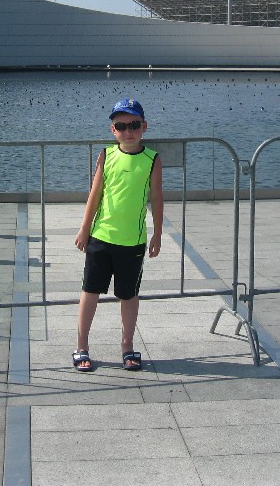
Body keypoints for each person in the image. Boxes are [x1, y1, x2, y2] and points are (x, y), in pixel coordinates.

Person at [73, 98, 163, 372]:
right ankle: (81, 346)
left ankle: (127, 345)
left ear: (144, 127)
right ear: (113, 130)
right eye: (121, 126)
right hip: (101, 237)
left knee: (129, 295)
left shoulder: (152, 159)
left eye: (134, 125)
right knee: (90, 291)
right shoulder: (107, 155)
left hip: (133, 242)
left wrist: (157, 234)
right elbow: (95, 194)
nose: (128, 131)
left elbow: (157, 198)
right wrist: (84, 228)